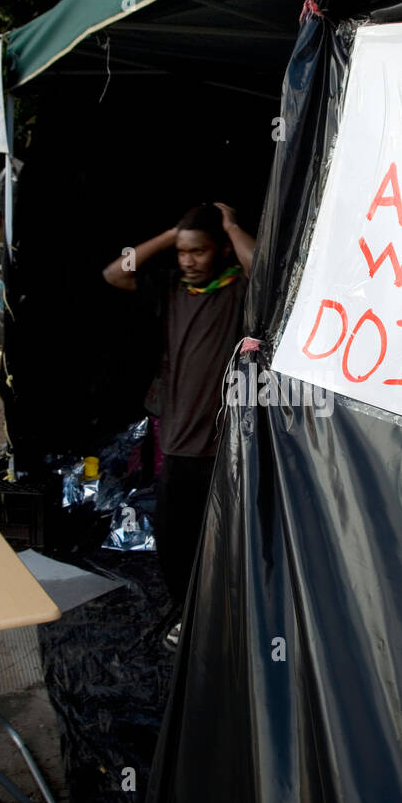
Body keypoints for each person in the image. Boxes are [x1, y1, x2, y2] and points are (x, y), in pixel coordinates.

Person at [102, 203, 255, 641]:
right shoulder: (170, 288)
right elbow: (116, 272)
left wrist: (230, 224)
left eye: (198, 252)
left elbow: (265, 269)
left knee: (223, 544)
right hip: (176, 447)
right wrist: (173, 234)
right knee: (174, 545)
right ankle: (189, 618)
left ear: (221, 251)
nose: (188, 261)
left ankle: (223, 624)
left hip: (222, 450)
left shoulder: (237, 290)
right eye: (183, 252)